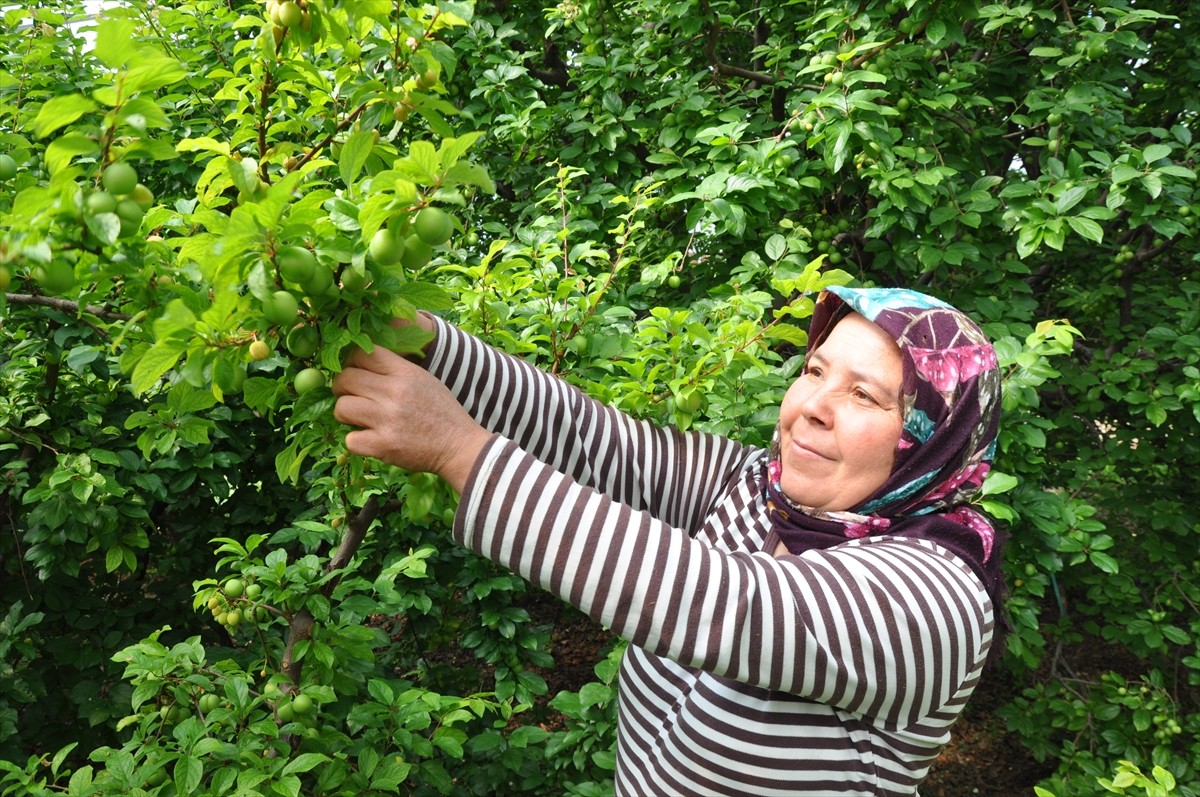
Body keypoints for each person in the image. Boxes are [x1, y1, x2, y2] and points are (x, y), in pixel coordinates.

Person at [331, 285, 1005, 797]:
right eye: (814, 371)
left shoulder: (938, 594)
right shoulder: (756, 490)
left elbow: (724, 604)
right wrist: (429, 342)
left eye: (864, 394)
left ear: (933, 437)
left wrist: (459, 449)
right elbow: (597, 442)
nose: (813, 406)